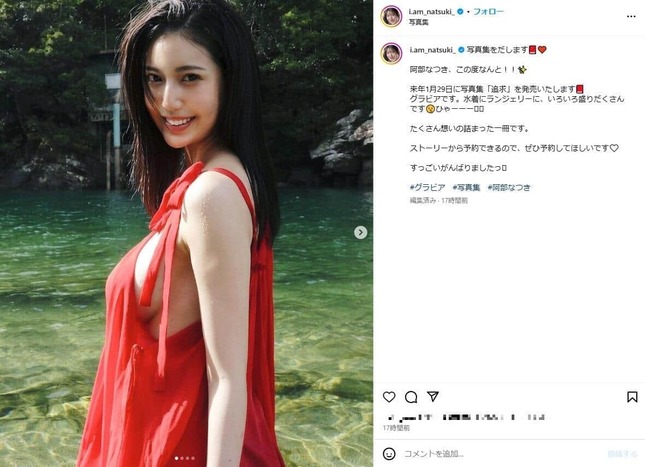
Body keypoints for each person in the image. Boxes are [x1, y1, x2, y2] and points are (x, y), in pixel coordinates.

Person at [76, 0, 284, 465]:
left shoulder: (213, 193)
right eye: (154, 78)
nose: (167, 100)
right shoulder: (207, 183)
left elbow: (226, 377)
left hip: (175, 449)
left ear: (230, 81)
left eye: (189, 77)